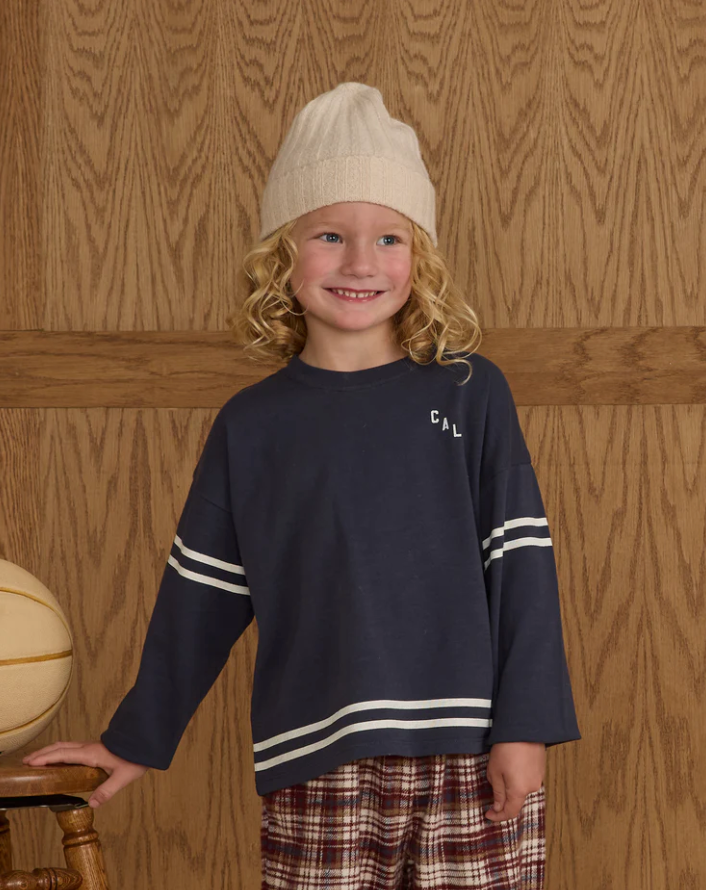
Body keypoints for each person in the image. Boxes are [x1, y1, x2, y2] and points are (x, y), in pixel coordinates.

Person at [24, 82, 580, 888]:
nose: (361, 262)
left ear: (420, 258)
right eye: (329, 235)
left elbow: (522, 568)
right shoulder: (252, 425)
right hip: (316, 757)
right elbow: (200, 599)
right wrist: (133, 740)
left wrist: (524, 727)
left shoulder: (472, 391)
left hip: (471, 749)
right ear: (281, 256)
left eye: (389, 237)